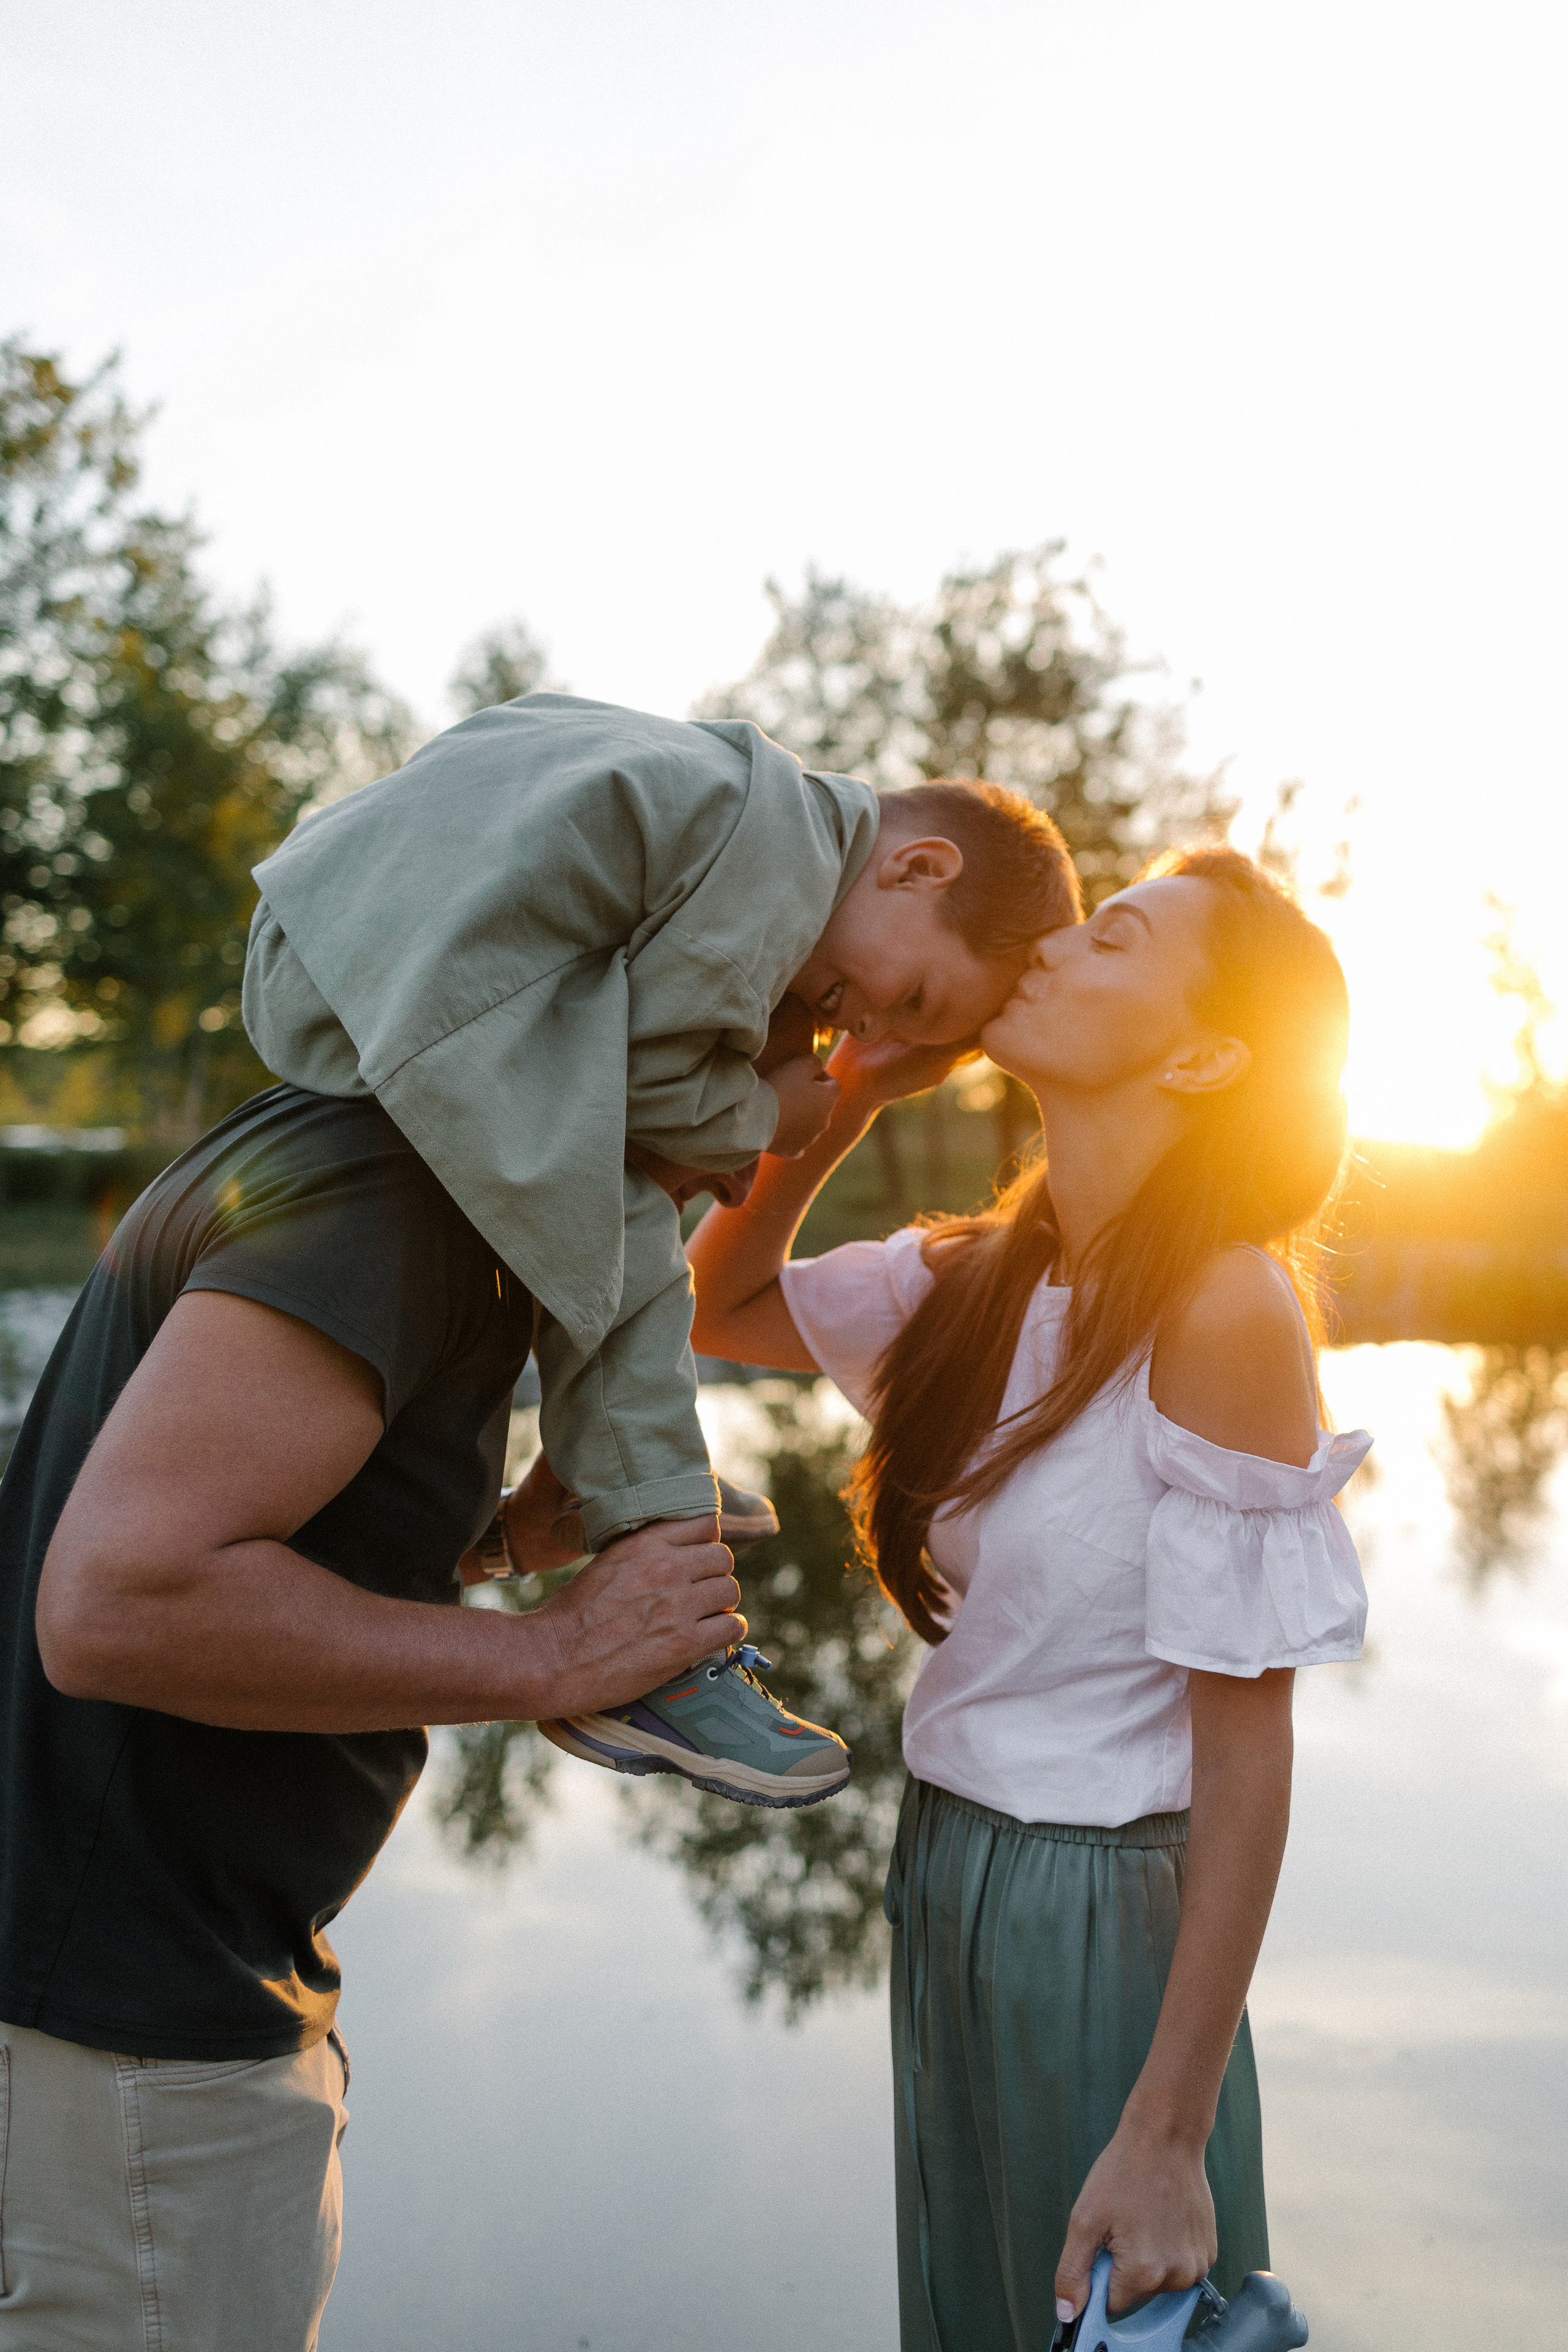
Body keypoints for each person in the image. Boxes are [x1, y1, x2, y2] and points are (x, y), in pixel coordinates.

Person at [0, 706, 1075, 2350]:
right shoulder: (391, 1199)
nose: (746, 1174)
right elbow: (119, 1603)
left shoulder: (411, 1176)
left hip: (149, 1996)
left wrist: (501, 1546)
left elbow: (255, 1533)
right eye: (765, 1085)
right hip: (118, 2040)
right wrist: (558, 1658)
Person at [684, 846, 1371, 2350]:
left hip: (1103, 1910)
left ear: (1202, 1056)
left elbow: (1243, 1755)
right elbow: (714, 1306)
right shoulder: (978, 1279)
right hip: (947, 1867)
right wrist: (852, 1088)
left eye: (1113, 940)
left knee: (1102, 2318)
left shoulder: (1221, 1305)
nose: (1053, 946)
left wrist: (1167, 2134)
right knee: (975, 2317)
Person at [243, 690, 1080, 1806]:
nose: (866, 1027)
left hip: (334, 939)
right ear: (919, 867)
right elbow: (640, 1088)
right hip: (383, 991)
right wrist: (773, 1115)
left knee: (661, 1133)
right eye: (912, 997)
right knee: (627, 1205)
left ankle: (625, 1465)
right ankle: (659, 1608)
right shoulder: (776, 868)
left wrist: (760, 1084)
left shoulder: (740, 794)